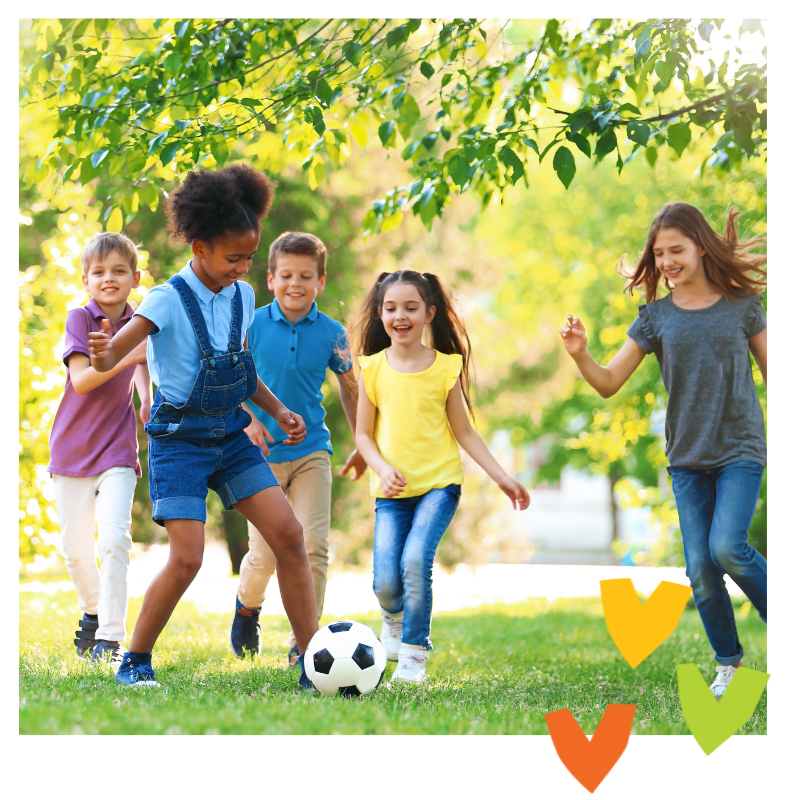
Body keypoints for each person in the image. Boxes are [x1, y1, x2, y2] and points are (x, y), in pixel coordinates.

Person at [88, 164, 318, 689]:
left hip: (231, 437)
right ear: (199, 247)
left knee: (288, 534)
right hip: (179, 445)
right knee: (188, 557)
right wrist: (102, 354)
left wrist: (277, 410)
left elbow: (240, 367)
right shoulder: (167, 298)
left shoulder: (240, 297)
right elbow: (111, 360)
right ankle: (135, 659)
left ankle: (308, 659)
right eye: (233, 257)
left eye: (249, 258)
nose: (243, 268)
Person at [559, 202, 767, 698]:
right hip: (688, 458)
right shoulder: (654, 319)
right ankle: (730, 665)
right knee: (699, 566)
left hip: (740, 447)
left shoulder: (743, 305)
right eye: (659, 253)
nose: (668, 261)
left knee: (727, 548)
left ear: (701, 246)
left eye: (677, 250)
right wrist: (581, 353)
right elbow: (609, 383)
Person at [353, 270, 530, 683]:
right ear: (380, 314)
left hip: (439, 484)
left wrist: (501, 476)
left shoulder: (446, 368)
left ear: (429, 313)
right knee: (384, 583)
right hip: (391, 491)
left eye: (411, 308)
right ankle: (393, 620)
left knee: (416, 561)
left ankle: (414, 653)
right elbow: (363, 434)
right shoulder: (373, 369)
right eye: (392, 308)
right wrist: (381, 467)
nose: (401, 316)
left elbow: (464, 431)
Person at [231, 231, 366, 663]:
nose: (296, 284)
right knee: (265, 553)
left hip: (311, 452)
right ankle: (247, 608)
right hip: (259, 455)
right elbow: (230, 378)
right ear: (270, 278)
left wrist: (363, 440)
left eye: (306, 276)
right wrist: (249, 421)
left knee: (313, 547)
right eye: (286, 275)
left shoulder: (333, 333)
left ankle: (304, 642)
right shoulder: (248, 324)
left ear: (321, 281)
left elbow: (349, 388)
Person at [48, 231, 151, 665]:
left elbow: (146, 359)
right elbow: (84, 379)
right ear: (86, 280)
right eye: (99, 272)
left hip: (116, 448)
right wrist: (127, 355)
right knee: (74, 549)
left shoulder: (140, 322)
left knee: (113, 537)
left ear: (135, 277)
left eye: (118, 271)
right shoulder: (79, 319)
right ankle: (92, 612)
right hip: (71, 448)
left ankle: (110, 637)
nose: (109, 278)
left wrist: (147, 398)